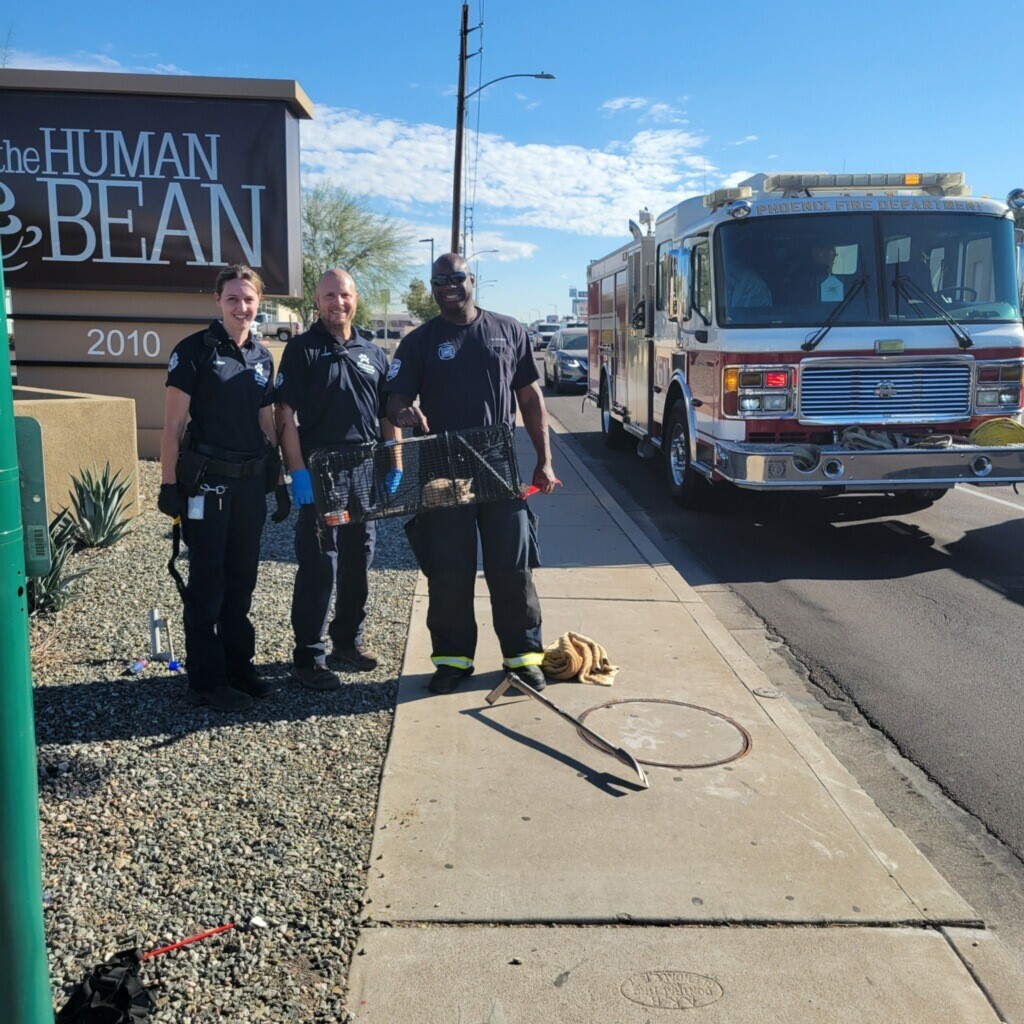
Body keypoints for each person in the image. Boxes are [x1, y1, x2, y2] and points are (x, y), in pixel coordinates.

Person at [385, 253, 558, 695]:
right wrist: (403, 411)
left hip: (498, 465)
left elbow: (531, 398)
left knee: (511, 567)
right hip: (442, 469)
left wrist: (545, 458)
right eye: (439, 280)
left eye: (455, 278)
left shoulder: (508, 330)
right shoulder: (420, 341)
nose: (447, 286)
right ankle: (452, 661)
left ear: (472, 280)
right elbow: (394, 397)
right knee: (448, 569)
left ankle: (522, 659)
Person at [158, 265, 282, 712]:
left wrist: (277, 469)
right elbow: (173, 426)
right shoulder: (193, 352)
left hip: (248, 487)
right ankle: (207, 681)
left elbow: (266, 419)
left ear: (258, 303)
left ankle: (239, 667)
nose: (241, 307)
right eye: (232, 298)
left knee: (242, 582)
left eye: (248, 299)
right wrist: (169, 484)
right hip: (206, 486)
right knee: (208, 583)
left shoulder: (263, 356)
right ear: (217, 301)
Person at [275, 268, 398, 691]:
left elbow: (386, 413)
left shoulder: (374, 352)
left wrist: (394, 463)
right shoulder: (302, 350)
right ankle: (309, 657)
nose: (337, 303)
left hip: (366, 469)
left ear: (355, 299)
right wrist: (298, 474)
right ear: (317, 301)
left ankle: (348, 640)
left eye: (343, 295)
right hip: (321, 470)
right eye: (329, 296)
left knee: (359, 559)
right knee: (319, 564)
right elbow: (284, 415)